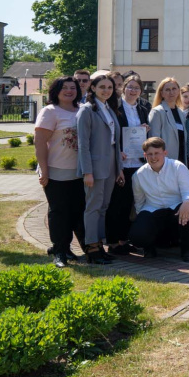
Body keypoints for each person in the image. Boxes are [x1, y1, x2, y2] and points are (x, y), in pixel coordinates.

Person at [35, 76, 86, 267]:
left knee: (75, 213)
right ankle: (59, 252)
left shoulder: (81, 110)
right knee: (59, 212)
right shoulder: (50, 112)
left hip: (79, 171)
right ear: (56, 90)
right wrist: (44, 170)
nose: (69, 91)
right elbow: (40, 143)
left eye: (73, 88)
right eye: (64, 87)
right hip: (56, 171)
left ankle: (67, 248)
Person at [76, 73, 124, 264]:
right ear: (93, 88)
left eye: (110, 87)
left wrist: (119, 168)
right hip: (94, 168)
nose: (106, 90)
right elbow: (83, 144)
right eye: (102, 86)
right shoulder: (86, 110)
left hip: (111, 166)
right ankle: (91, 248)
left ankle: (99, 245)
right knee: (93, 207)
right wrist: (87, 171)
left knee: (103, 207)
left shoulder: (110, 109)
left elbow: (115, 143)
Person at [129, 137, 189, 261]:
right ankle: (149, 246)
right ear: (145, 155)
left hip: (176, 209)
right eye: (149, 154)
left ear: (165, 153)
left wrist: (187, 202)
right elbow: (139, 202)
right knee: (137, 236)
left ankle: (186, 248)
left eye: (157, 153)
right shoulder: (138, 175)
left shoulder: (178, 167)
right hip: (153, 210)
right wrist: (144, 223)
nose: (153, 157)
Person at [109, 75, 149, 255]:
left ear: (141, 91)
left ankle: (125, 240)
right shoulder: (115, 107)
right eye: (130, 87)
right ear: (123, 88)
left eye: (137, 88)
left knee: (133, 201)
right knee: (118, 202)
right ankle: (113, 241)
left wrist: (144, 130)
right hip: (121, 161)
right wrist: (117, 151)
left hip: (138, 161)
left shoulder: (143, 108)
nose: (133, 90)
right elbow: (111, 133)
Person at [148, 78, 188, 163]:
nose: (171, 92)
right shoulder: (157, 112)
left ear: (178, 91)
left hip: (181, 159)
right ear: (162, 93)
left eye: (174, 89)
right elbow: (154, 141)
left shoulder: (181, 113)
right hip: (165, 161)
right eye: (167, 90)